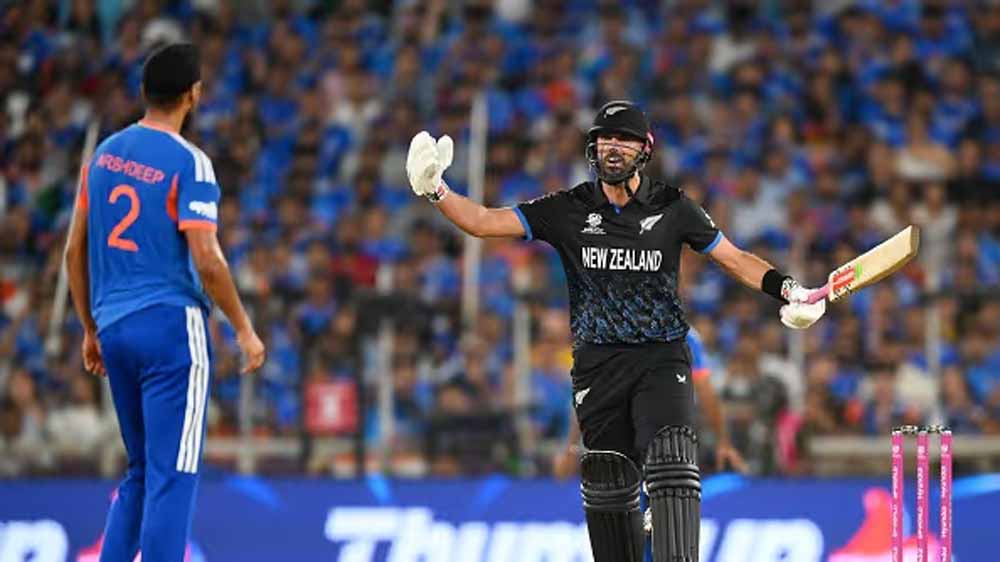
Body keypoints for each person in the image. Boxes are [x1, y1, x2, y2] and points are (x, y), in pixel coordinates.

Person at [405, 100, 824, 562]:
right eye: (605, 138)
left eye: (624, 139)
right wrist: (437, 190)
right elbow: (484, 222)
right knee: (608, 483)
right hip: (597, 366)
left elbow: (736, 258)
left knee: (671, 464)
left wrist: (789, 290)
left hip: (661, 357)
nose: (612, 146)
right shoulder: (569, 208)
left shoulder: (673, 207)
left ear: (645, 149)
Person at [64, 43, 265, 562]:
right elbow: (208, 258)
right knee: (172, 475)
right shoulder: (189, 161)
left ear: (144, 92)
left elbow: (73, 252)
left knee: (139, 472)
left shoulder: (102, 157)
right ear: (193, 94)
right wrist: (244, 328)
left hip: (114, 327)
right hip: (171, 328)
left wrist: (89, 328)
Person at [552, 328, 746, 480]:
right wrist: (571, 447)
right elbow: (591, 392)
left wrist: (571, 447)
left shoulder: (681, 335)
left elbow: (590, 393)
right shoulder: (680, 334)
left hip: (646, 436)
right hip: (647, 438)